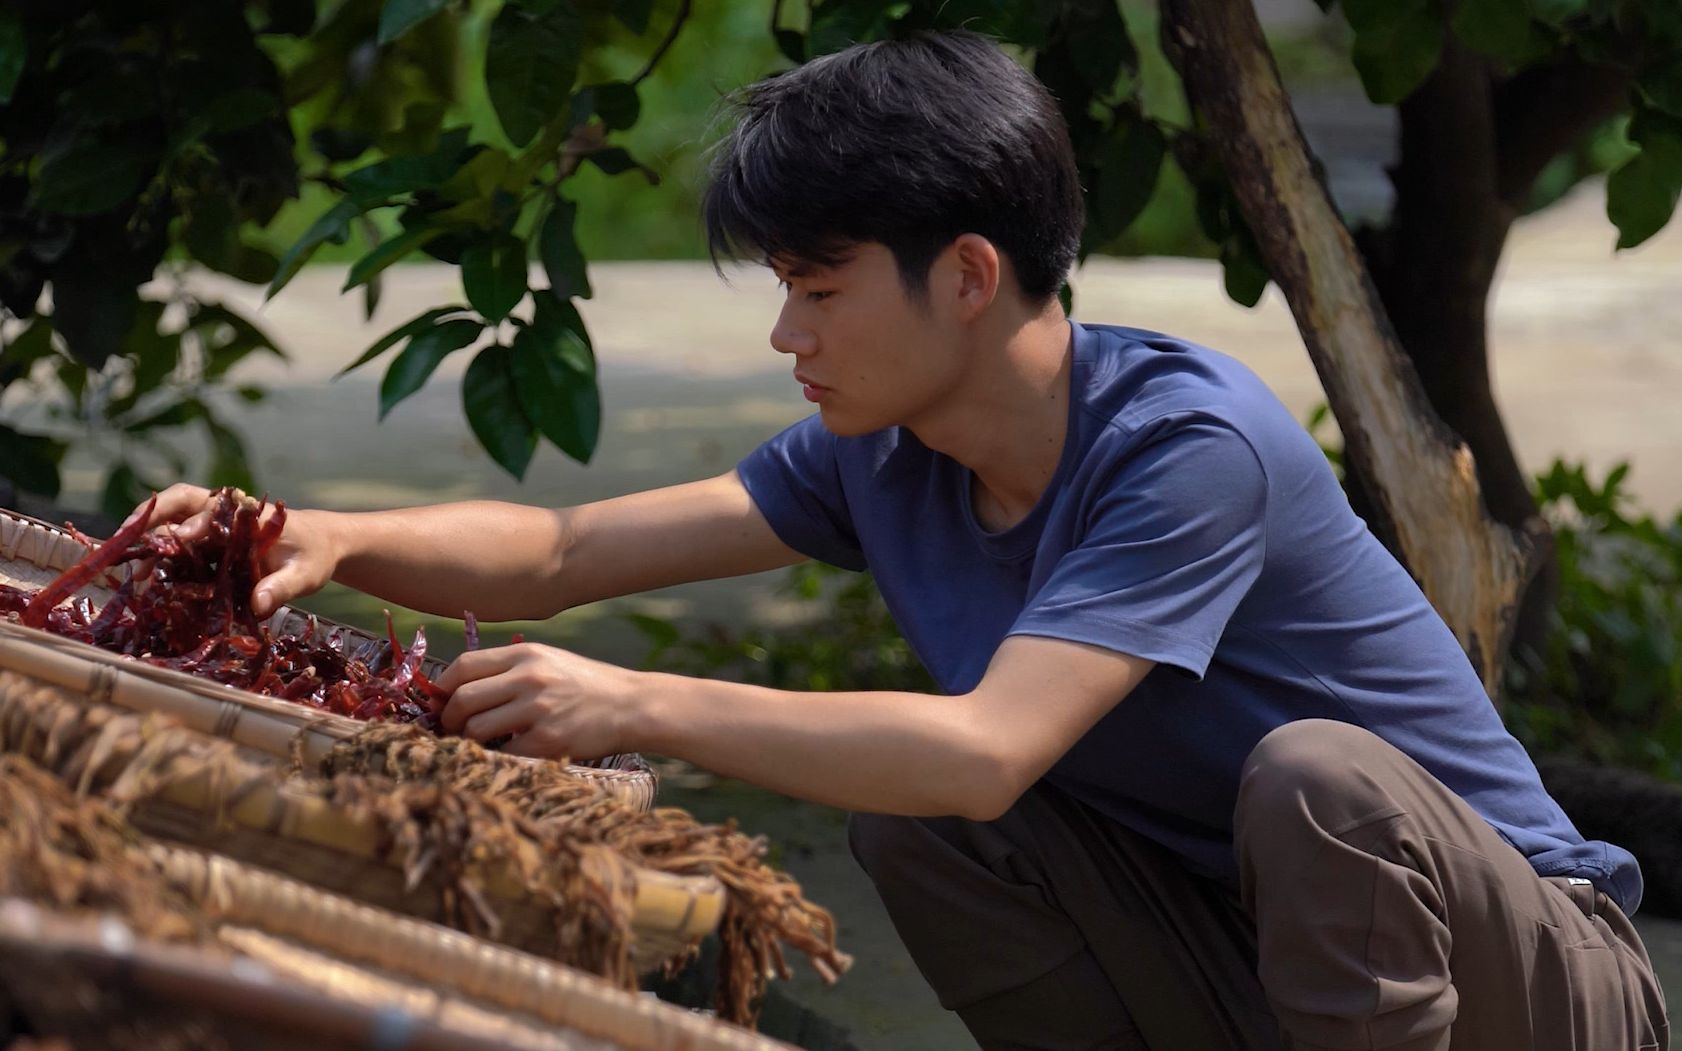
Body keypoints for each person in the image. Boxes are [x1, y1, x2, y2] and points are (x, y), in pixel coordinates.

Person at [140, 30, 1668, 1051]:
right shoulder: (883, 450)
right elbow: (553, 550)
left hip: (1535, 989)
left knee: (1313, 779)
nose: (789, 332)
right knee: (911, 832)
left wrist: (643, 704)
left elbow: (987, 744)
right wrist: (320, 532)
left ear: (966, 274)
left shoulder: (1184, 445)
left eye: (820, 285)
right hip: (1259, 971)